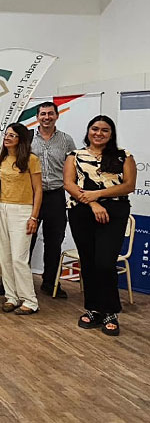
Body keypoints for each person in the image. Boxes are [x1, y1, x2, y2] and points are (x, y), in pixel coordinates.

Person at [0, 102, 76, 298]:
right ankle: (12, 285)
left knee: (54, 241)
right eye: (42, 114)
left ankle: (50, 283)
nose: (46, 117)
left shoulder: (66, 140)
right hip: (28, 197)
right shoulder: (27, 138)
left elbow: (74, 165)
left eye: (50, 114)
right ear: (37, 117)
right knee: (23, 242)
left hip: (55, 194)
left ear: (56, 116)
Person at [64, 115, 135, 336]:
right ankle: (93, 309)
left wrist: (99, 194)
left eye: (105, 130)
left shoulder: (124, 156)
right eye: (95, 129)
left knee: (105, 263)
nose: (99, 133)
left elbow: (129, 186)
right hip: (82, 211)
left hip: (114, 212)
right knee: (88, 261)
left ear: (111, 134)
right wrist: (93, 203)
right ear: (88, 131)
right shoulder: (74, 156)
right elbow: (69, 183)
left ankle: (111, 311)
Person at [0, 123, 42, 315]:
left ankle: (30, 300)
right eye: (6, 134)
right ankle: (11, 296)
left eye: (12, 135)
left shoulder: (31, 160)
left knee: (19, 258)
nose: (7, 138)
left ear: (20, 139)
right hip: (1, 207)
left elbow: (38, 190)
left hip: (23, 211)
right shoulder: (1, 158)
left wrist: (34, 216)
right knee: (4, 256)